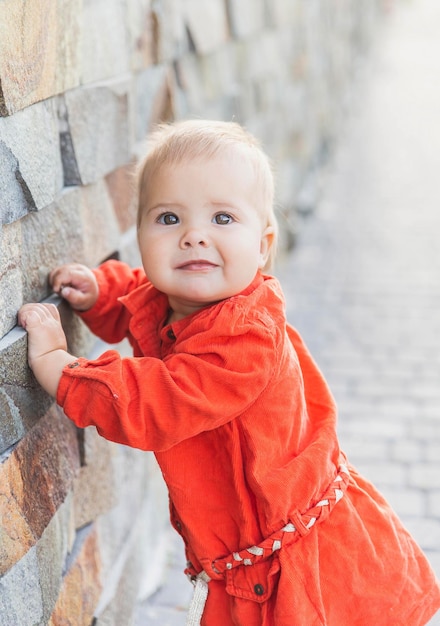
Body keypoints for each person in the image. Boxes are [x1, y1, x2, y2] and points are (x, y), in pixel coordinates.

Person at [19, 120, 440, 626]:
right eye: (169, 218)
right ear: (140, 232)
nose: (194, 236)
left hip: (292, 568)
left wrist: (61, 370)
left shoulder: (244, 337)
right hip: (248, 552)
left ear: (263, 245)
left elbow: (159, 403)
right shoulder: (182, 299)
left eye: (222, 217)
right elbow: (142, 302)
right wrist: (100, 292)